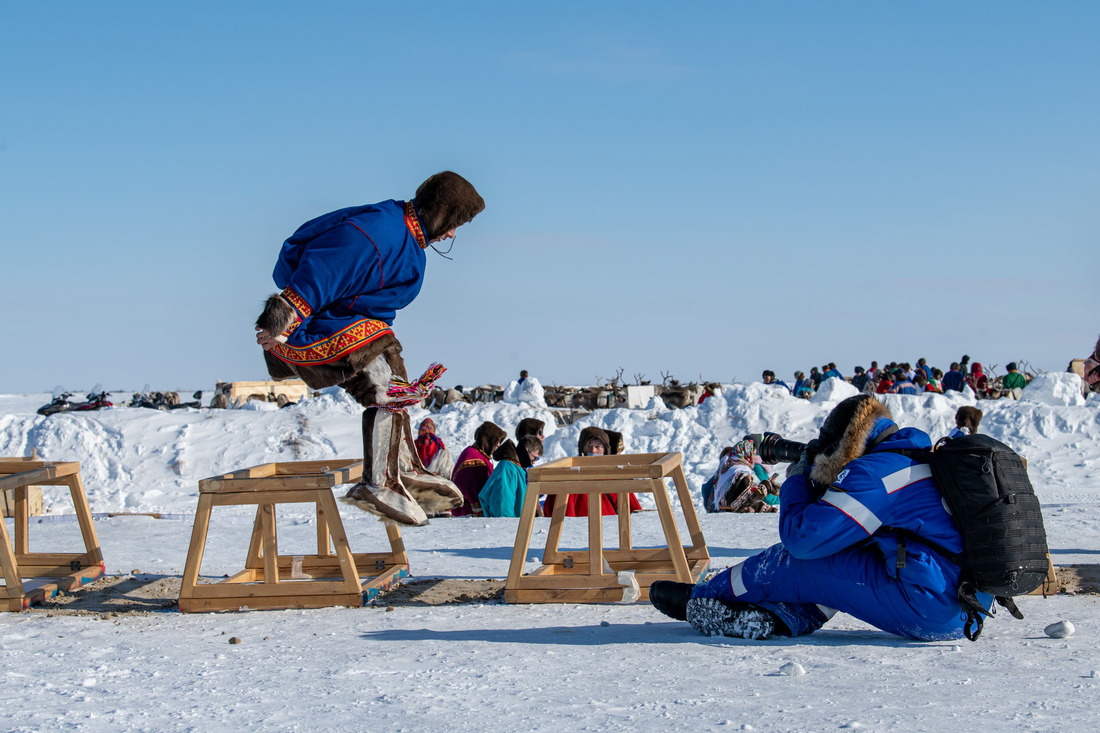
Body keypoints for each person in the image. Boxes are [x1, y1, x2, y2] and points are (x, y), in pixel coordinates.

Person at [649, 394, 989, 642]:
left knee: (797, 562)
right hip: (962, 600)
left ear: (845, 447)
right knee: (843, 556)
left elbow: (802, 540)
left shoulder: (876, 474)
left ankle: (705, 597)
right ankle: (780, 617)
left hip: (932, 607)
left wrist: (797, 478)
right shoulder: (916, 459)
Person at [255, 171, 485, 526]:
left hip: (357, 327)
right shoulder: (380, 234)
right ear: (439, 212)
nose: (452, 233)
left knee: (399, 383)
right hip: (317, 326)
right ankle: (378, 482)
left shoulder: (407, 238)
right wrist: (281, 319)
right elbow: (326, 267)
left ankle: (403, 467)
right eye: (452, 223)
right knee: (385, 390)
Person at [542, 426, 643, 516]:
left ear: (605, 449)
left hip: (612, 532)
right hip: (578, 532)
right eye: (589, 447)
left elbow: (635, 512)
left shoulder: (615, 478)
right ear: (583, 450)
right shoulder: (570, 478)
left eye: (598, 447)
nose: (593, 451)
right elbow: (559, 516)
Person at [701, 440, 777, 513]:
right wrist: (766, 487)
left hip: (722, 515)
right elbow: (742, 501)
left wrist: (767, 509)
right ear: (746, 454)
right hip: (735, 520)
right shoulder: (741, 472)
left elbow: (737, 496)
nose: (755, 457)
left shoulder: (727, 470)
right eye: (753, 454)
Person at [450, 422, 507, 517]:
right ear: (488, 441)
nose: (498, 445)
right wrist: (479, 510)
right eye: (496, 442)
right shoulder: (472, 457)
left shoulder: (479, 454)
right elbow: (470, 487)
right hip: (468, 513)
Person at [478, 436, 544, 518]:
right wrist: (507, 525)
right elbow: (503, 504)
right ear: (526, 450)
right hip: (507, 525)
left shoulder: (518, 467)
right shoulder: (507, 468)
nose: (534, 462)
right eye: (534, 457)